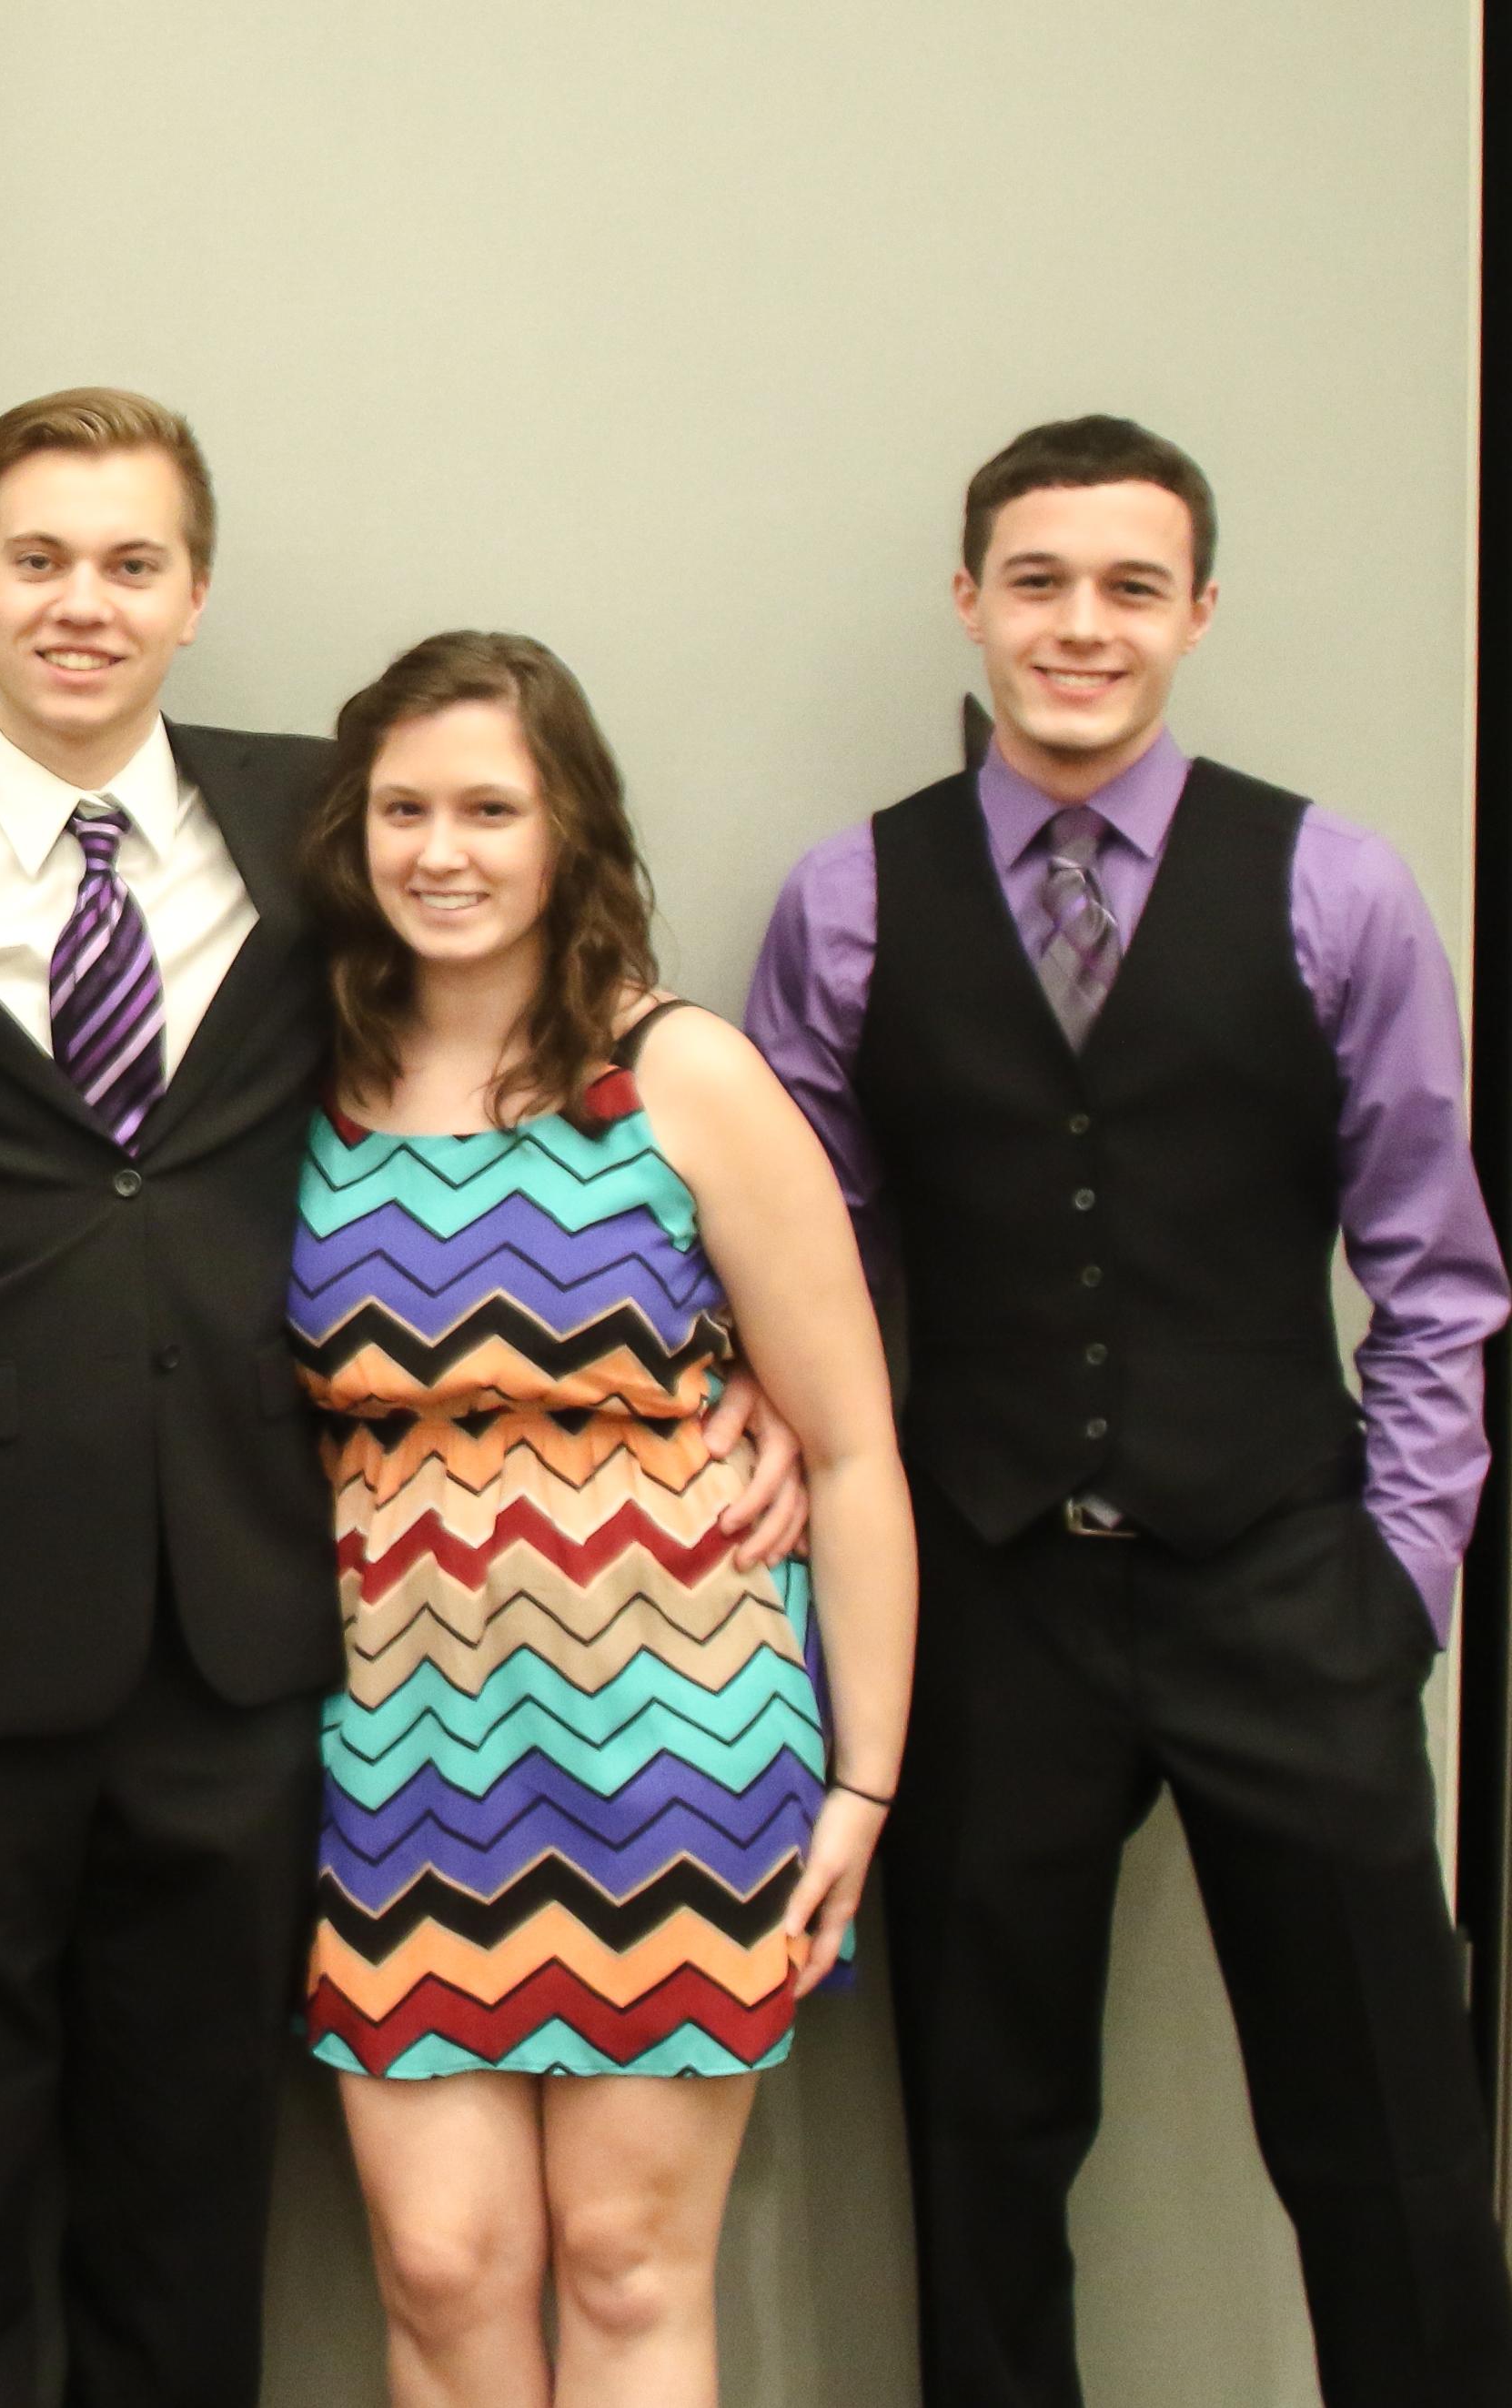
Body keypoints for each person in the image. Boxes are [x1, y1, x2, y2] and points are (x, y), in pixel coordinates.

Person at [0, 388, 801, 2408]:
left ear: (194, 592)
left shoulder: (329, 829)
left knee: (192, 2178)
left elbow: (546, 1058)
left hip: (256, 1622)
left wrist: (723, 1354)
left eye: (129, 563)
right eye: (37, 559)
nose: (81, 602)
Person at [746, 415, 1512, 2407]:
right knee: (983, 2151)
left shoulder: (1333, 887)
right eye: (1038, 581)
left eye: (1127, 587)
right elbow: (788, 1296)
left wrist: (1398, 1586)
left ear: (1192, 614)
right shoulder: (845, 908)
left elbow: (1438, 1273)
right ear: (970, 598)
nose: (1078, 626)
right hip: (990, 1606)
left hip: (1281, 1583)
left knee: (1391, 2144)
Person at [291, 632, 911, 2405]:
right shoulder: (302, 1087)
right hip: (396, 1760)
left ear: (570, 830)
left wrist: (862, 1778)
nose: (443, 849)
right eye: (402, 808)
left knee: (633, 2271)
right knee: (436, 2267)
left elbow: (851, 1452)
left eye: (491, 806)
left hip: (673, 1757)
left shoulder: (679, 1072)